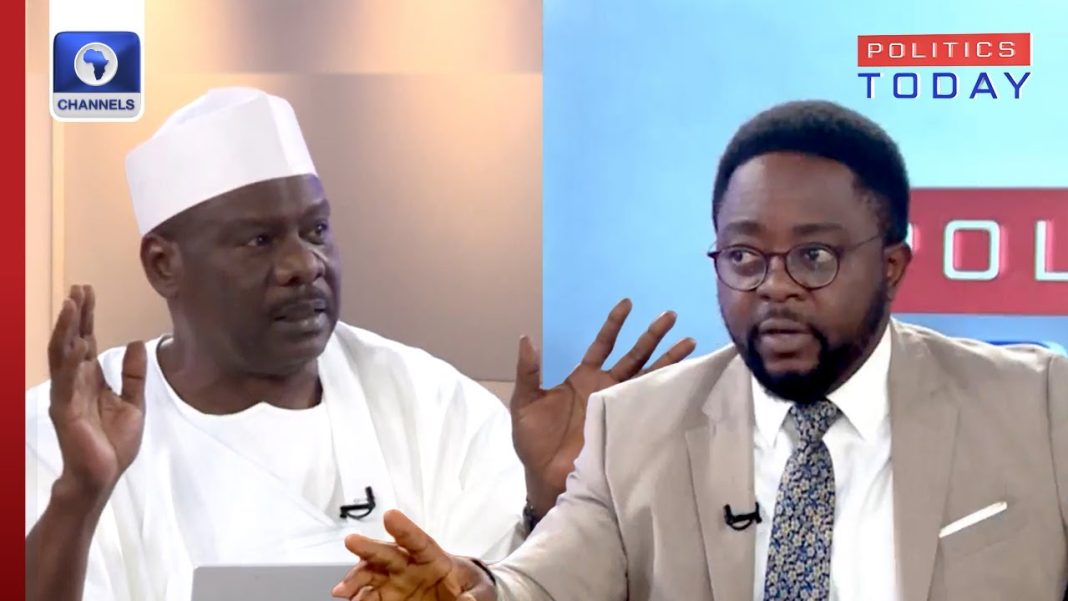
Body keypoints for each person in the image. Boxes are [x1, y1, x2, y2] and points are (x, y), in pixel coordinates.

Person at [332, 100, 1068, 601]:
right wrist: (475, 590)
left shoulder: (1040, 406)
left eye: (813, 257)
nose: (775, 287)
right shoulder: (636, 426)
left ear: (893, 265)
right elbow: (545, 585)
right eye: (744, 257)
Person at [24, 87, 697, 601]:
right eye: (260, 240)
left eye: (316, 231)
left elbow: (506, 582)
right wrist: (79, 494)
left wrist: (551, 499)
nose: (303, 264)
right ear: (163, 264)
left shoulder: (428, 399)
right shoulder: (70, 428)